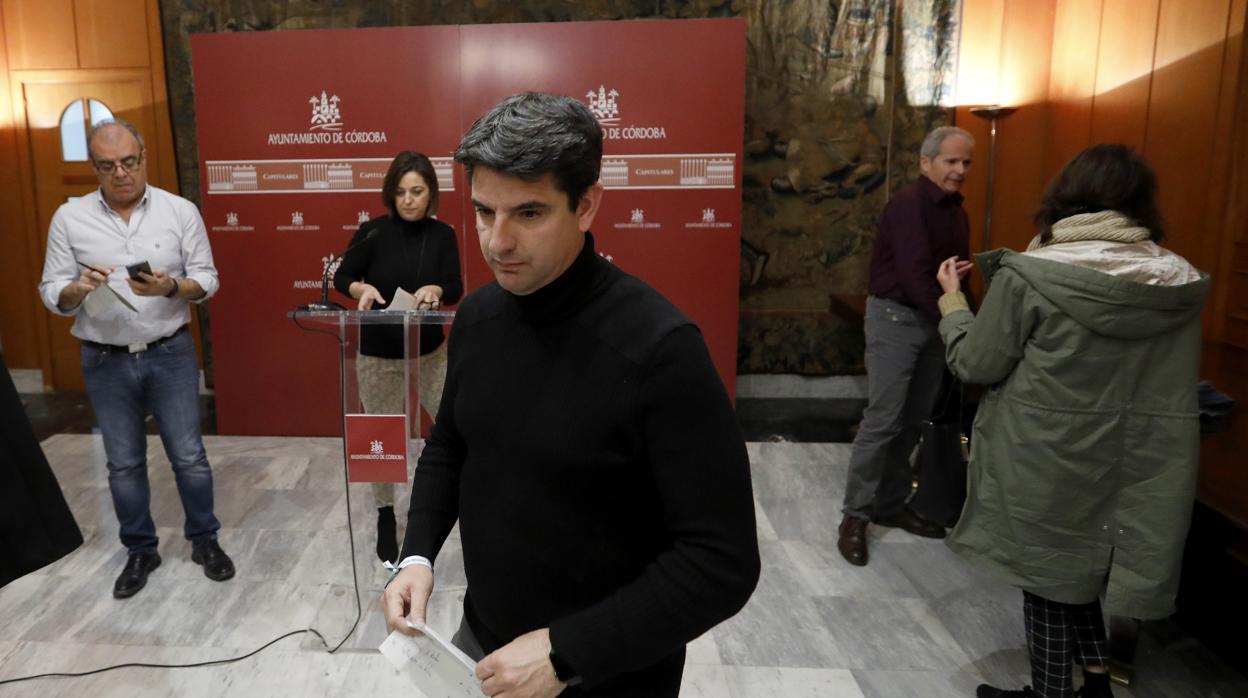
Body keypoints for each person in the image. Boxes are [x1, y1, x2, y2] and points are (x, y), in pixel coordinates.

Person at [381, 92, 760, 697]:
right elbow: (451, 445)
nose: (497, 242)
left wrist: (565, 650)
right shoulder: (478, 317)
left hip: (610, 672)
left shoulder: (661, 349)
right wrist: (418, 555)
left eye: (528, 214)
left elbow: (721, 562)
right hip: (481, 646)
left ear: (586, 205)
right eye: (483, 212)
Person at [934, 144, 1209, 698]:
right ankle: (1096, 684)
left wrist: (953, 305)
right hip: (1138, 461)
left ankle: (1052, 692)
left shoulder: (1033, 273)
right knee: (1084, 569)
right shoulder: (1178, 280)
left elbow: (977, 363)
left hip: (1048, 454)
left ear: (1065, 197)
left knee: (1048, 577)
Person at [38, 119, 233, 598]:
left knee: (188, 456)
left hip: (170, 353)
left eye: (129, 162)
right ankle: (140, 550)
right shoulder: (70, 218)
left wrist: (171, 286)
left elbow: (208, 279)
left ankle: (205, 540)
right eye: (108, 166)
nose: (120, 173)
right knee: (123, 463)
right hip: (104, 359)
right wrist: (75, 289)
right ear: (95, 168)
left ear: (144, 158)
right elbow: (51, 291)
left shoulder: (178, 211)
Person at [837, 126, 976, 567]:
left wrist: (962, 320)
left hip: (935, 321)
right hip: (897, 319)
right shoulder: (907, 205)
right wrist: (955, 321)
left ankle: (891, 503)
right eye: (951, 161)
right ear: (925, 162)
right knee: (883, 420)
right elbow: (917, 275)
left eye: (966, 162)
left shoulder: (958, 213)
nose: (959, 170)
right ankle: (854, 517)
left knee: (914, 419)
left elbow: (952, 277)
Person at [333, 150, 462, 564]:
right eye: (401, 192)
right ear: (391, 193)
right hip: (378, 354)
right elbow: (342, 276)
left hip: (429, 351)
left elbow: (454, 284)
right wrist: (361, 291)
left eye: (418, 191)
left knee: (450, 427)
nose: (409, 200)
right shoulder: (373, 232)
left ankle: (454, 500)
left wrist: (437, 291)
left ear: (431, 194)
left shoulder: (443, 235)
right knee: (381, 439)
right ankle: (386, 514)